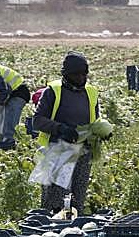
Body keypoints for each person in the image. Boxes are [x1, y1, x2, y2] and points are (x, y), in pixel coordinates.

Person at [32, 52, 113, 213]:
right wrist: (60, 129)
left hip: (84, 152)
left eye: (84, 74)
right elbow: (38, 120)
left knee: (78, 196)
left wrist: (102, 133)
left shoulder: (91, 92)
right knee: (57, 198)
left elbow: (94, 120)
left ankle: (74, 228)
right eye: (77, 75)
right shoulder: (53, 91)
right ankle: (52, 230)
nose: (81, 78)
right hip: (59, 151)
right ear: (66, 74)